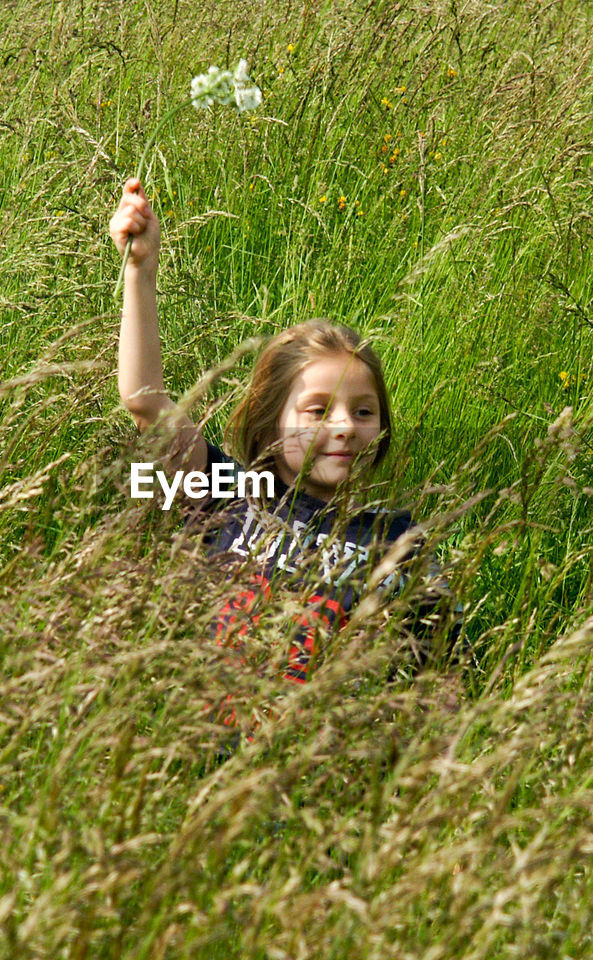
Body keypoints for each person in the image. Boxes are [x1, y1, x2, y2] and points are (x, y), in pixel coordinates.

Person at [109, 176, 462, 737]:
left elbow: (441, 681)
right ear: (272, 417)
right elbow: (145, 401)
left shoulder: (397, 542)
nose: (345, 427)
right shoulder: (229, 495)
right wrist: (140, 274)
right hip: (202, 757)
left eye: (364, 412)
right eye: (318, 411)